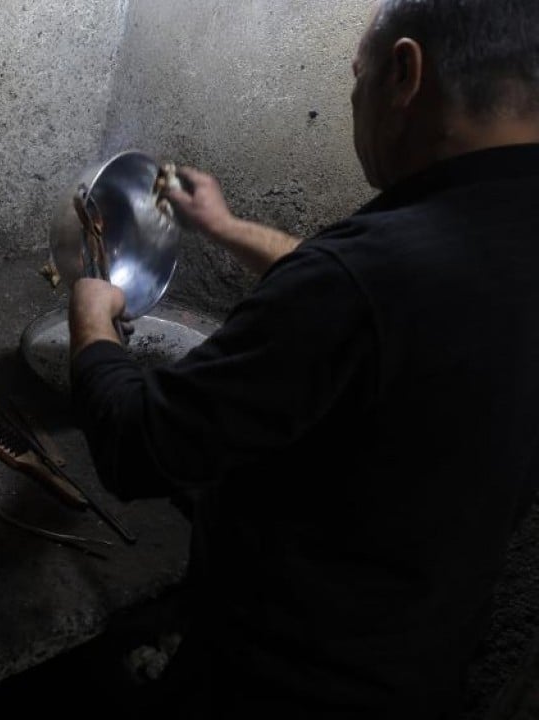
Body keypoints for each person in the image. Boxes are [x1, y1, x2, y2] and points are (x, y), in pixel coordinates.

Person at [68, 0, 539, 716]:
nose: (353, 99)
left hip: (279, 679)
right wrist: (224, 229)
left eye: (358, 75)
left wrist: (92, 322)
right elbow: (375, 302)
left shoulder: (362, 280)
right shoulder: (495, 230)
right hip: (425, 666)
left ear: (404, 73)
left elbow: (137, 445)